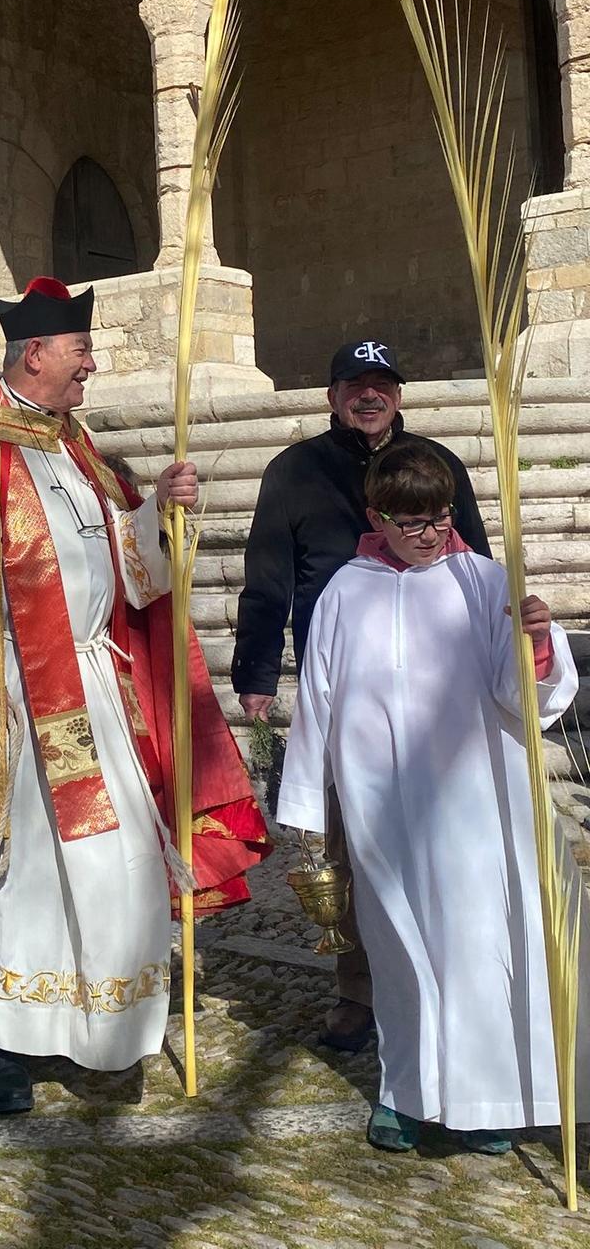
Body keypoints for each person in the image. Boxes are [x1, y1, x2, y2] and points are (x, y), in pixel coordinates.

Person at [0, 276, 269, 1114]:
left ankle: (92, 1022)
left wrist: (160, 513)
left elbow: (124, 563)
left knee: (119, 866)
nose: (91, 366)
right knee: (29, 877)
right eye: (80, 352)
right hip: (10, 701)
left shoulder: (75, 445)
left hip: (97, 686)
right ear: (35, 353)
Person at [277, 442, 583, 1154]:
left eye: (440, 519)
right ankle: (404, 1095)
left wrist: (536, 645)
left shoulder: (483, 581)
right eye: (411, 522)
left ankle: (490, 1100)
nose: (430, 535)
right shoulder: (344, 593)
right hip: (380, 806)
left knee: (479, 946)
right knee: (398, 949)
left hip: (477, 802)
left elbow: (521, 696)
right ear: (376, 516)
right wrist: (304, 812)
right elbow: (317, 705)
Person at [232, 339, 490, 1053]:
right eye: (354, 384)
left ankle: (448, 981)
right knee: (347, 850)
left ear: (399, 394)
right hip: (348, 693)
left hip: (440, 693)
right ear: (332, 394)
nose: (368, 396)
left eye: (381, 384)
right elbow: (267, 575)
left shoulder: (437, 466)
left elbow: (474, 558)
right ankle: (357, 991)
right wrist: (256, 672)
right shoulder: (294, 471)